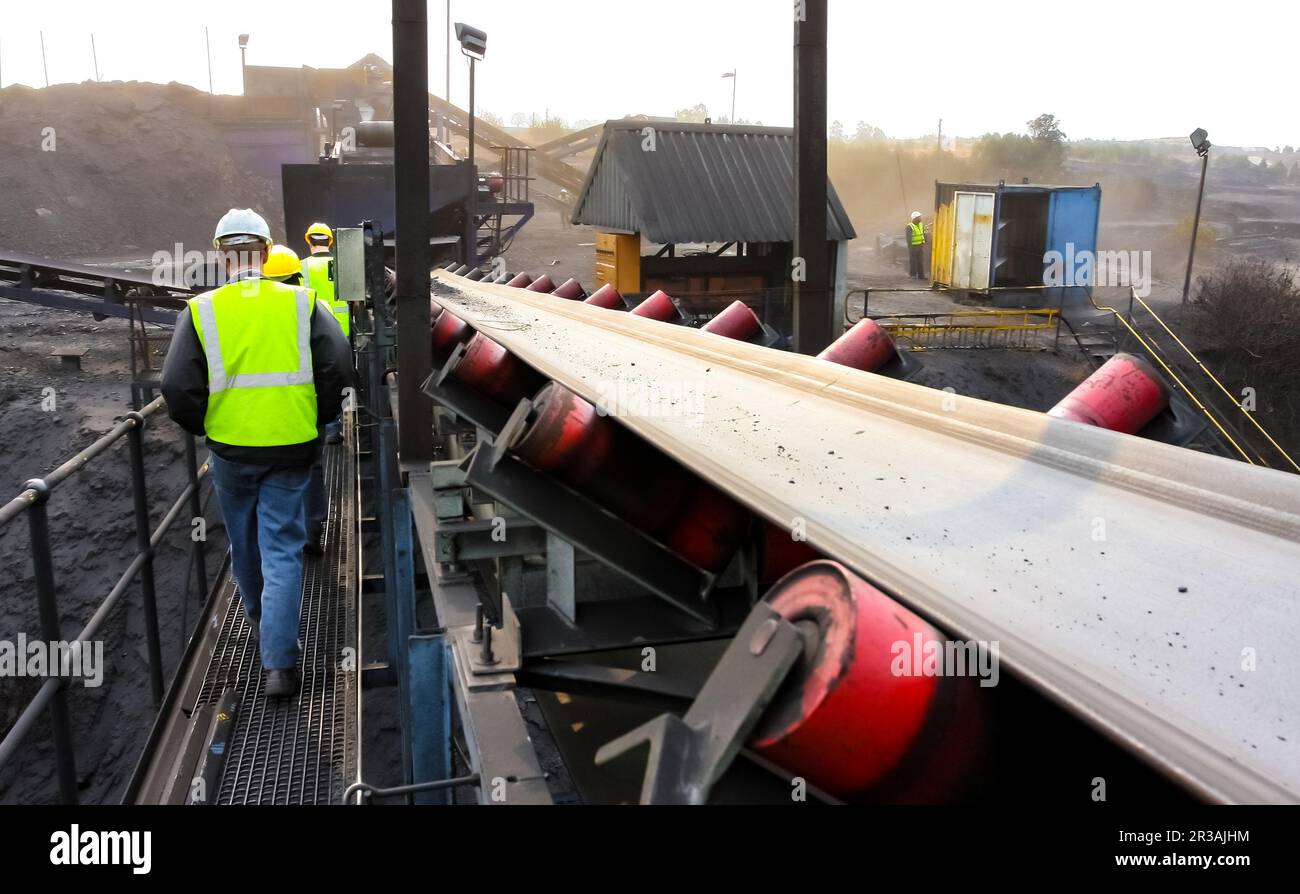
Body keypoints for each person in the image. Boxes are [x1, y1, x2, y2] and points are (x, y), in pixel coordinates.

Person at [161, 209, 353, 697]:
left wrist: (207, 426)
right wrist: (318, 416)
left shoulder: (200, 310)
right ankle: (280, 666)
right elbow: (338, 365)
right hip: (291, 446)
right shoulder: (303, 303)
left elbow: (176, 386)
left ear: (222, 256)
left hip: (231, 452)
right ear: (267, 253)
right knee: (282, 550)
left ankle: (261, 628)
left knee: (244, 546)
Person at [302, 223, 347, 446]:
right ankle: (333, 428)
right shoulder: (341, 265)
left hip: (312, 333)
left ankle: (315, 426)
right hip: (344, 333)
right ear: (330, 242)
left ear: (309, 241)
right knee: (338, 380)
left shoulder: (301, 268)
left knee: (314, 380)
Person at [907, 211, 926, 280]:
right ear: (915, 218)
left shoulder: (921, 225)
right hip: (913, 247)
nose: (920, 218)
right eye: (919, 217)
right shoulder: (910, 226)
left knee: (920, 261)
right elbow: (908, 238)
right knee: (913, 261)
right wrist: (910, 247)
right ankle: (913, 275)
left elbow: (923, 234)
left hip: (920, 246)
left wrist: (924, 242)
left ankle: (921, 276)